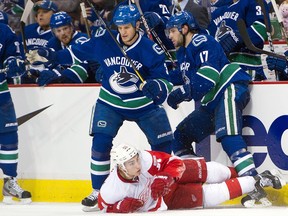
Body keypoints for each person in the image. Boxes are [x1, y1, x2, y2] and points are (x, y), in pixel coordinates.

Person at [26, 4, 174, 210]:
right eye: (120, 27)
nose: (123, 32)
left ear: (137, 25)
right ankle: (99, 191)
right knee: (100, 142)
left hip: (144, 106)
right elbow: (73, 54)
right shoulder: (105, 41)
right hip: (111, 102)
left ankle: (159, 190)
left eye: (127, 27)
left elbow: (165, 82)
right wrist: (49, 55)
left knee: (164, 146)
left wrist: (156, 86)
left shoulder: (150, 49)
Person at [165, 11, 257, 178]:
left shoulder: (202, 41)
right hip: (212, 99)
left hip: (227, 88)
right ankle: (196, 177)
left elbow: (208, 79)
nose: (169, 36)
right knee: (180, 136)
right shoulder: (183, 52)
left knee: (228, 136)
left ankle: (253, 181)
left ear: (184, 28)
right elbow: (182, 77)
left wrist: (182, 93)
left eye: (172, 31)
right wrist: (159, 80)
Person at [97, 143, 284, 212]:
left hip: (171, 173)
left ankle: (252, 175)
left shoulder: (146, 159)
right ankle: (257, 181)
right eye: (131, 164)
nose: (138, 165)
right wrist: (120, 207)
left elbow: (175, 162)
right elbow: (103, 204)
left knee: (207, 170)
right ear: (121, 167)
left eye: (136, 160)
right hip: (166, 199)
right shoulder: (112, 187)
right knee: (211, 195)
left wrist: (165, 178)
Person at [0, 21, 31, 204]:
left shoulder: (3, 30)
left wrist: (13, 62)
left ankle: (9, 182)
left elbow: (14, 55)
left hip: (0, 90)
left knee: (9, 135)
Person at [29, 11, 99, 85]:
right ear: (53, 32)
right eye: (58, 30)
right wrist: (38, 72)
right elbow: (48, 64)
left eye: (65, 28)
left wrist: (58, 76)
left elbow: (82, 71)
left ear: (71, 27)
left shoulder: (82, 40)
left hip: (91, 87)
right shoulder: (53, 42)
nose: (63, 33)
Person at [207, 0, 268, 81]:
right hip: (221, 73)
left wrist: (237, 37)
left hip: (246, 71)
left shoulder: (253, 2)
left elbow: (261, 30)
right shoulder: (217, 10)